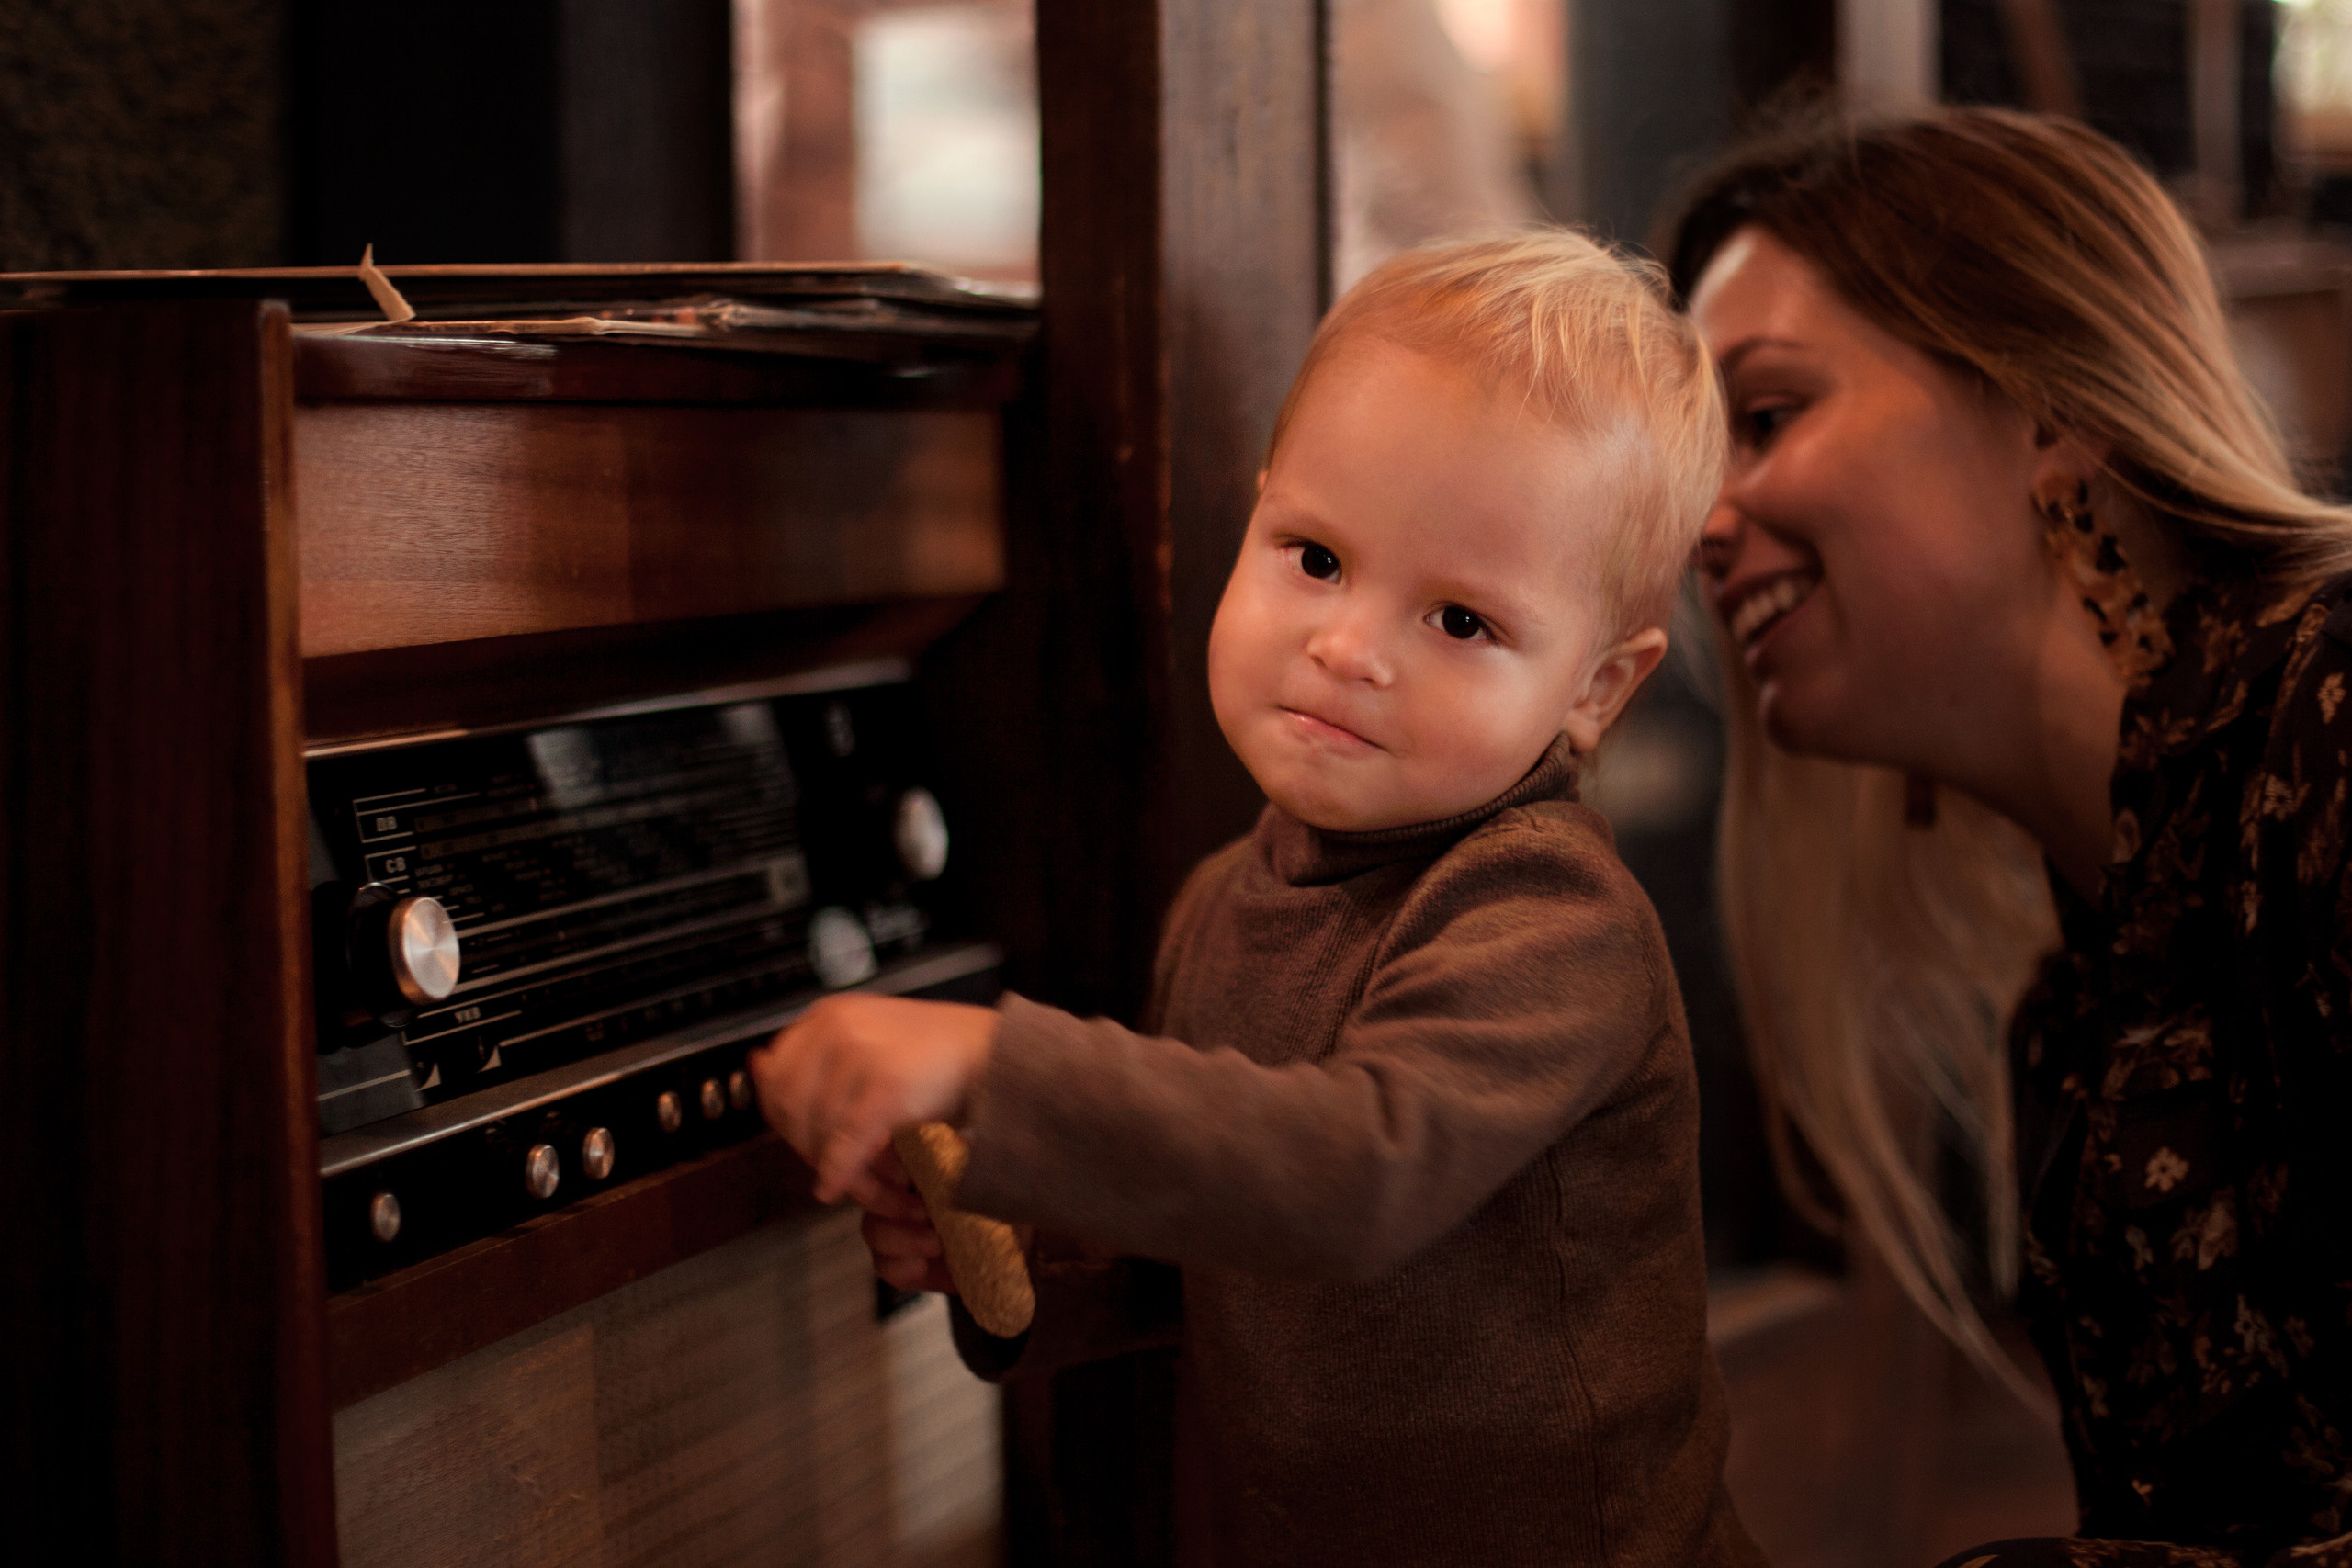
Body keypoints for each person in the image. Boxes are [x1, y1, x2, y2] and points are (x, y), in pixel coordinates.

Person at [750, 231, 1764, 1566]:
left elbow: (1354, 1173)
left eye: (1460, 622)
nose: (1347, 648)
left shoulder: (1551, 919)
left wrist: (999, 1068)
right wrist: (1026, 1255)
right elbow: (1233, 1244)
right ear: (1257, 511)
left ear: (1596, 688)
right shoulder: (1224, 903)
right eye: (1317, 558)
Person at [1667, 107, 2352, 1566]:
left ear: (2048, 412)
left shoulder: (2334, 727)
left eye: (1766, 417)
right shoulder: (2076, 1016)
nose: (1700, 525)